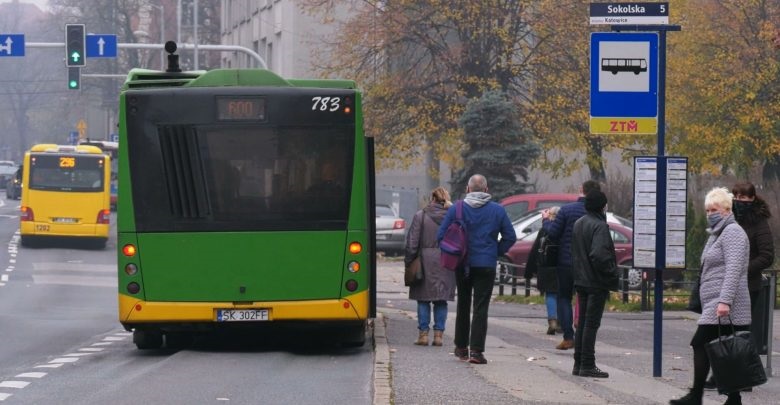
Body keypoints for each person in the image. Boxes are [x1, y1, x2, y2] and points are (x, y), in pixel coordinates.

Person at [669, 187, 750, 405]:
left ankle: (696, 396)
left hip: (725, 304)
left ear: (726, 209)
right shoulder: (717, 233)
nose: (709, 213)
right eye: (707, 210)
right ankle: (734, 398)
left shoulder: (732, 232)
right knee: (723, 350)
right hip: (714, 303)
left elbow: (733, 269)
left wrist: (724, 301)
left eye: (713, 209)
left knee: (701, 344)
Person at [437, 174, 516, 364]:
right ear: (486, 190)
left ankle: (461, 347)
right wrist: (495, 251)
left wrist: (455, 252)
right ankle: (477, 352)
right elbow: (510, 237)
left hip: (462, 264)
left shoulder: (456, 208)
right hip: (486, 265)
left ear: (468, 189)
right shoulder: (497, 210)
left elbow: (441, 236)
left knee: (463, 304)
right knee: (481, 308)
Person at [703, 181, 774, 391]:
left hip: (747, 285)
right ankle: (722, 375)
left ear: (752, 199)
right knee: (721, 332)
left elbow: (767, 256)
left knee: (739, 334)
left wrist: (743, 268)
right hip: (722, 285)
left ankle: (740, 378)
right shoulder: (726, 221)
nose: (740, 201)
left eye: (745, 198)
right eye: (737, 197)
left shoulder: (758, 222)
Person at [541, 180, 601, 350]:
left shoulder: (567, 210)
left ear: (581, 190)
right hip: (589, 264)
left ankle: (568, 337)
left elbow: (552, 234)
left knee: (564, 298)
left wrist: (546, 220)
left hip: (566, 262)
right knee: (585, 299)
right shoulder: (597, 213)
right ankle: (584, 337)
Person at [571, 190, 619, 378]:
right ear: (602, 206)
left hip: (581, 279)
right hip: (595, 281)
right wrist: (611, 272)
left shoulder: (579, 223)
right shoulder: (599, 226)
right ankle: (588, 364)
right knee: (591, 324)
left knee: (582, 323)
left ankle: (579, 363)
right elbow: (599, 255)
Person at [404, 187, 456, 346]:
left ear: (432, 198)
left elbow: (412, 242)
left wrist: (409, 261)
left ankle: (423, 335)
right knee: (441, 300)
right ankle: (439, 336)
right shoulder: (452, 217)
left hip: (424, 261)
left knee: (423, 299)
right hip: (447, 261)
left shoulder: (421, 216)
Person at [525, 206, 561, 335]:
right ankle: (562, 322)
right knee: (562, 295)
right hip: (562, 265)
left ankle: (552, 321)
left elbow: (535, 250)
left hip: (546, 266)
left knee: (550, 294)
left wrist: (529, 270)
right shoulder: (565, 229)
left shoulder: (544, 230)